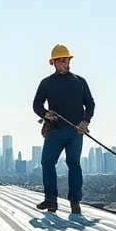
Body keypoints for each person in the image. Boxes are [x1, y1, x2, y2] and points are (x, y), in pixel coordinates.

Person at [32, 44, 95, 214]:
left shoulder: (80, 82)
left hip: (76, 132)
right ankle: (51, 201)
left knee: (73, 164)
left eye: (66, 60)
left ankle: (75, 202)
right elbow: (36, 104)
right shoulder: (46, 83)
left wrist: (85, 122)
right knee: (47, 162)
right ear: (54, 63)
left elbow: (90, 103)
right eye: (61, 61)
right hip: (55, 131)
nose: (65, 64)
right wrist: (45, 113)